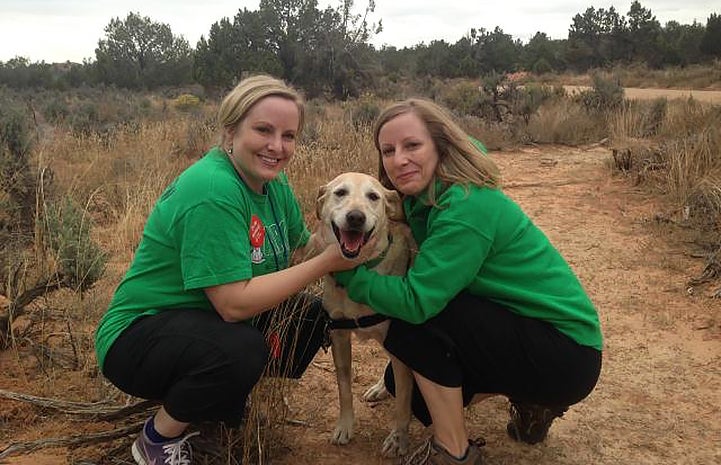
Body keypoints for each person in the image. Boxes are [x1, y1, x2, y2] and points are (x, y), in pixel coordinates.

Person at [94, 75, 369, 465]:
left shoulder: (272, 182)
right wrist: (327, 262)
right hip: (137, 337)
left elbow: (302, 248)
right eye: (263, 130)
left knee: (309, 318)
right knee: (240, 349)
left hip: (196, 323)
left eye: (289, 135)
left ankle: (214, 404)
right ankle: (157, 439)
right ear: (231, 129)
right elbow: (232, 306)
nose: (277, 146)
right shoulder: (214, 190)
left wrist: (345, 222)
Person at [331, 98, 603, 465]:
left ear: (440, 144)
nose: (399, 159)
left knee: (413, 327)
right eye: (388, 150)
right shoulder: (426, 196)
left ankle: (453, 451)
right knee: (405, 388)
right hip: (527, 329)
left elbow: (417, 301)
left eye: (412, 145)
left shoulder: (466, 204)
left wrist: (350, 277)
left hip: (565, 351)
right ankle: (530, 401)